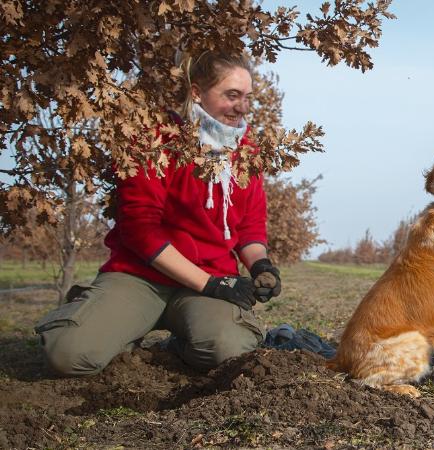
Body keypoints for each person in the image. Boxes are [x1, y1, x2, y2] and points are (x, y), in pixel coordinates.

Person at [34, 51, 282, 376]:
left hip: (207, 280)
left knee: (230, 351)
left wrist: (260, 264)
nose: (242, 106)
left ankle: (183, 344)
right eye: (231, 95)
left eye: (247, 97)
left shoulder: (247, 152)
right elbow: (140, 230)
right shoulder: (154, 141)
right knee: (68, 355)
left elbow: (249, 227)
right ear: (197, 93)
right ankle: (113, 327)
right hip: (140, 276)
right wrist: (211, 285)